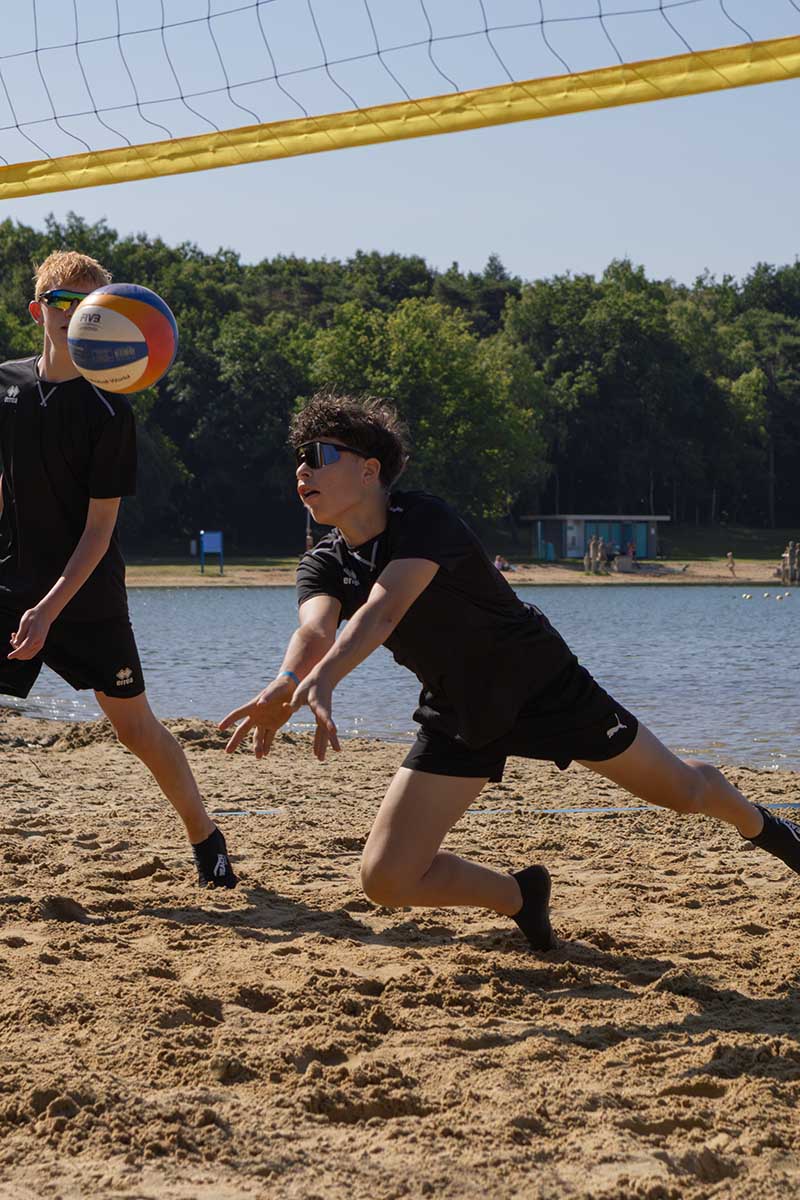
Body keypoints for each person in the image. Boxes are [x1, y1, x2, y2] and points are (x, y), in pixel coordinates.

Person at [219, 393, 800, 950]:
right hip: (461, 710)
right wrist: (290, 680)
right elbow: (316, 632)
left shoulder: (423, 519)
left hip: (543, 685)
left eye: (318, 456)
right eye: (299, 460)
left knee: (684, 791)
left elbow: (382, 611)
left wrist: (326, 679)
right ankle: (520, 895)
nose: (302, 471)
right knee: (386, 880)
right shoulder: (323, 561)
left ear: (370, 471)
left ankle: (767, 827)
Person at [0, 250, 237, 889]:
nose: (75, 315)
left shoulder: (111, 410)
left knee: (134, 727)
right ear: (37, 311)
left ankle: (205, 836)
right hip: (11, 580)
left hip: (85, 594)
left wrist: (48, 610)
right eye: (61, 302)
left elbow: (99, 530)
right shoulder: (4, 386)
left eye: (91, 307)